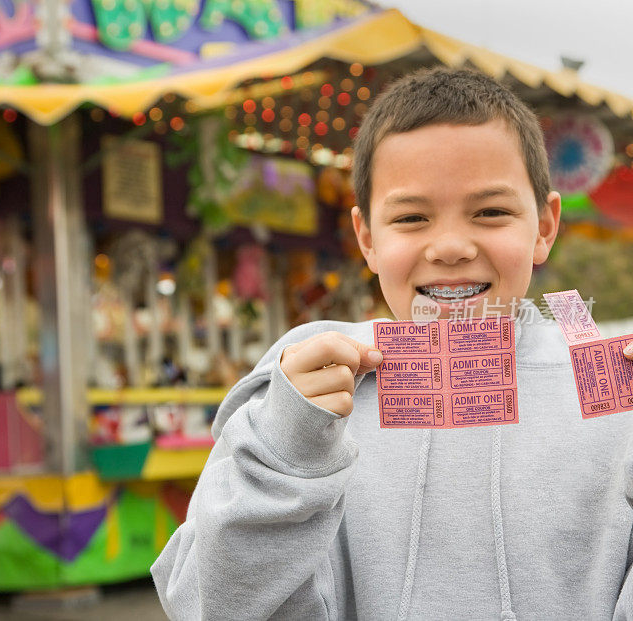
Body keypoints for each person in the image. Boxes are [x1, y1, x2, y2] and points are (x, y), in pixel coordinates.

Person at [151, 67, 633, 619]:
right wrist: (285, 452)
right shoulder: (303, 389)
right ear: (368, 238)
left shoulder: (613, 381)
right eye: (411, 218)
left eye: (491, 212)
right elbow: (209, 606)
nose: (450, 246)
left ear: (544, 226)